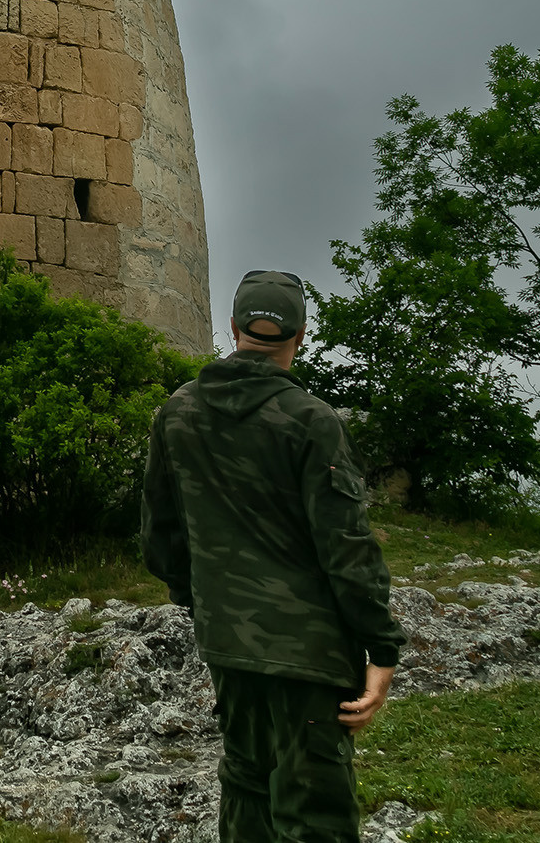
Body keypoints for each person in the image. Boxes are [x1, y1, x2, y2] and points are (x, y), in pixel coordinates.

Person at [141, 270, 405, 843]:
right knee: (315, 815)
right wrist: (381, 647)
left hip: (227, 646)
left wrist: (206, 602)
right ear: (301, 336)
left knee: (246, 794)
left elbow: (160, 538)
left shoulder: (177, 413)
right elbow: (347, 547)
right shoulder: (312, 421)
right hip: (307, 655)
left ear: (233, 328)